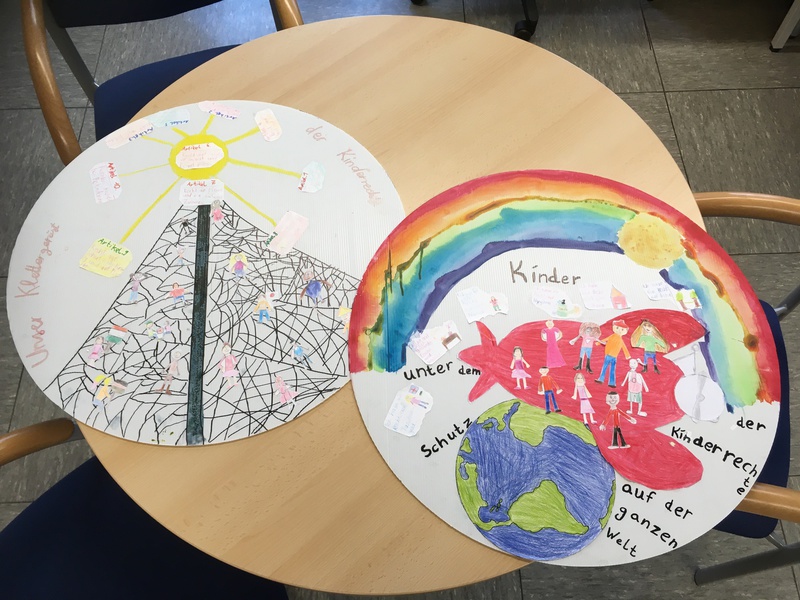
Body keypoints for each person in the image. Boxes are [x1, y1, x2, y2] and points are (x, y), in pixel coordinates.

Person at [596, 320, 630, 387]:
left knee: (608, 368)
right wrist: (598, 342)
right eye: (617, 328)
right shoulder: (613, 336)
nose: (619, 330)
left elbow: (624, 347)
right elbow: (605, 339)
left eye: (622, 329)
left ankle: (608, 381)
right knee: (609, 369)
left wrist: (627, 355)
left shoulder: (620, 340)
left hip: (612, 356)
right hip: (610, 355)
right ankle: (609, 382)